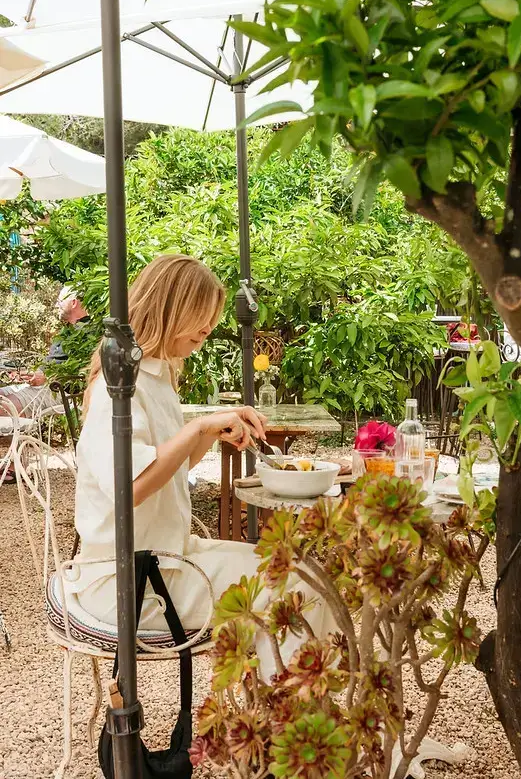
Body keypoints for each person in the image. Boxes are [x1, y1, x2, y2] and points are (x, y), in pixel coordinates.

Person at [65, 255, 336, 680]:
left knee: (297, 567)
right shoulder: (116, 390)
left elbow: (167, 470)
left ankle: (284, 710)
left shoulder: (154, 378)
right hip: (129, 583)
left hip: (166, 558)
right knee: (301, 586)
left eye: (213, 318)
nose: (210, 328)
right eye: (202, 316)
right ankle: (296, 722)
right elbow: (129, 489)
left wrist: (211, 434)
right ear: (170, 309)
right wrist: (198, 429)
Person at [0, 286, 89, 483]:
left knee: (7, 405)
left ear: (73, 302)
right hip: (44, 384)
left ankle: (17, 465)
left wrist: (47, 377)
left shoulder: (88, 332)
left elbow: (84, 370)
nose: (56, 304)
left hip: (61, 390)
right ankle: (15, 463)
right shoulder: (67, 331)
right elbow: (53, 363)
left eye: (60, 300)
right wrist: (32, 374)